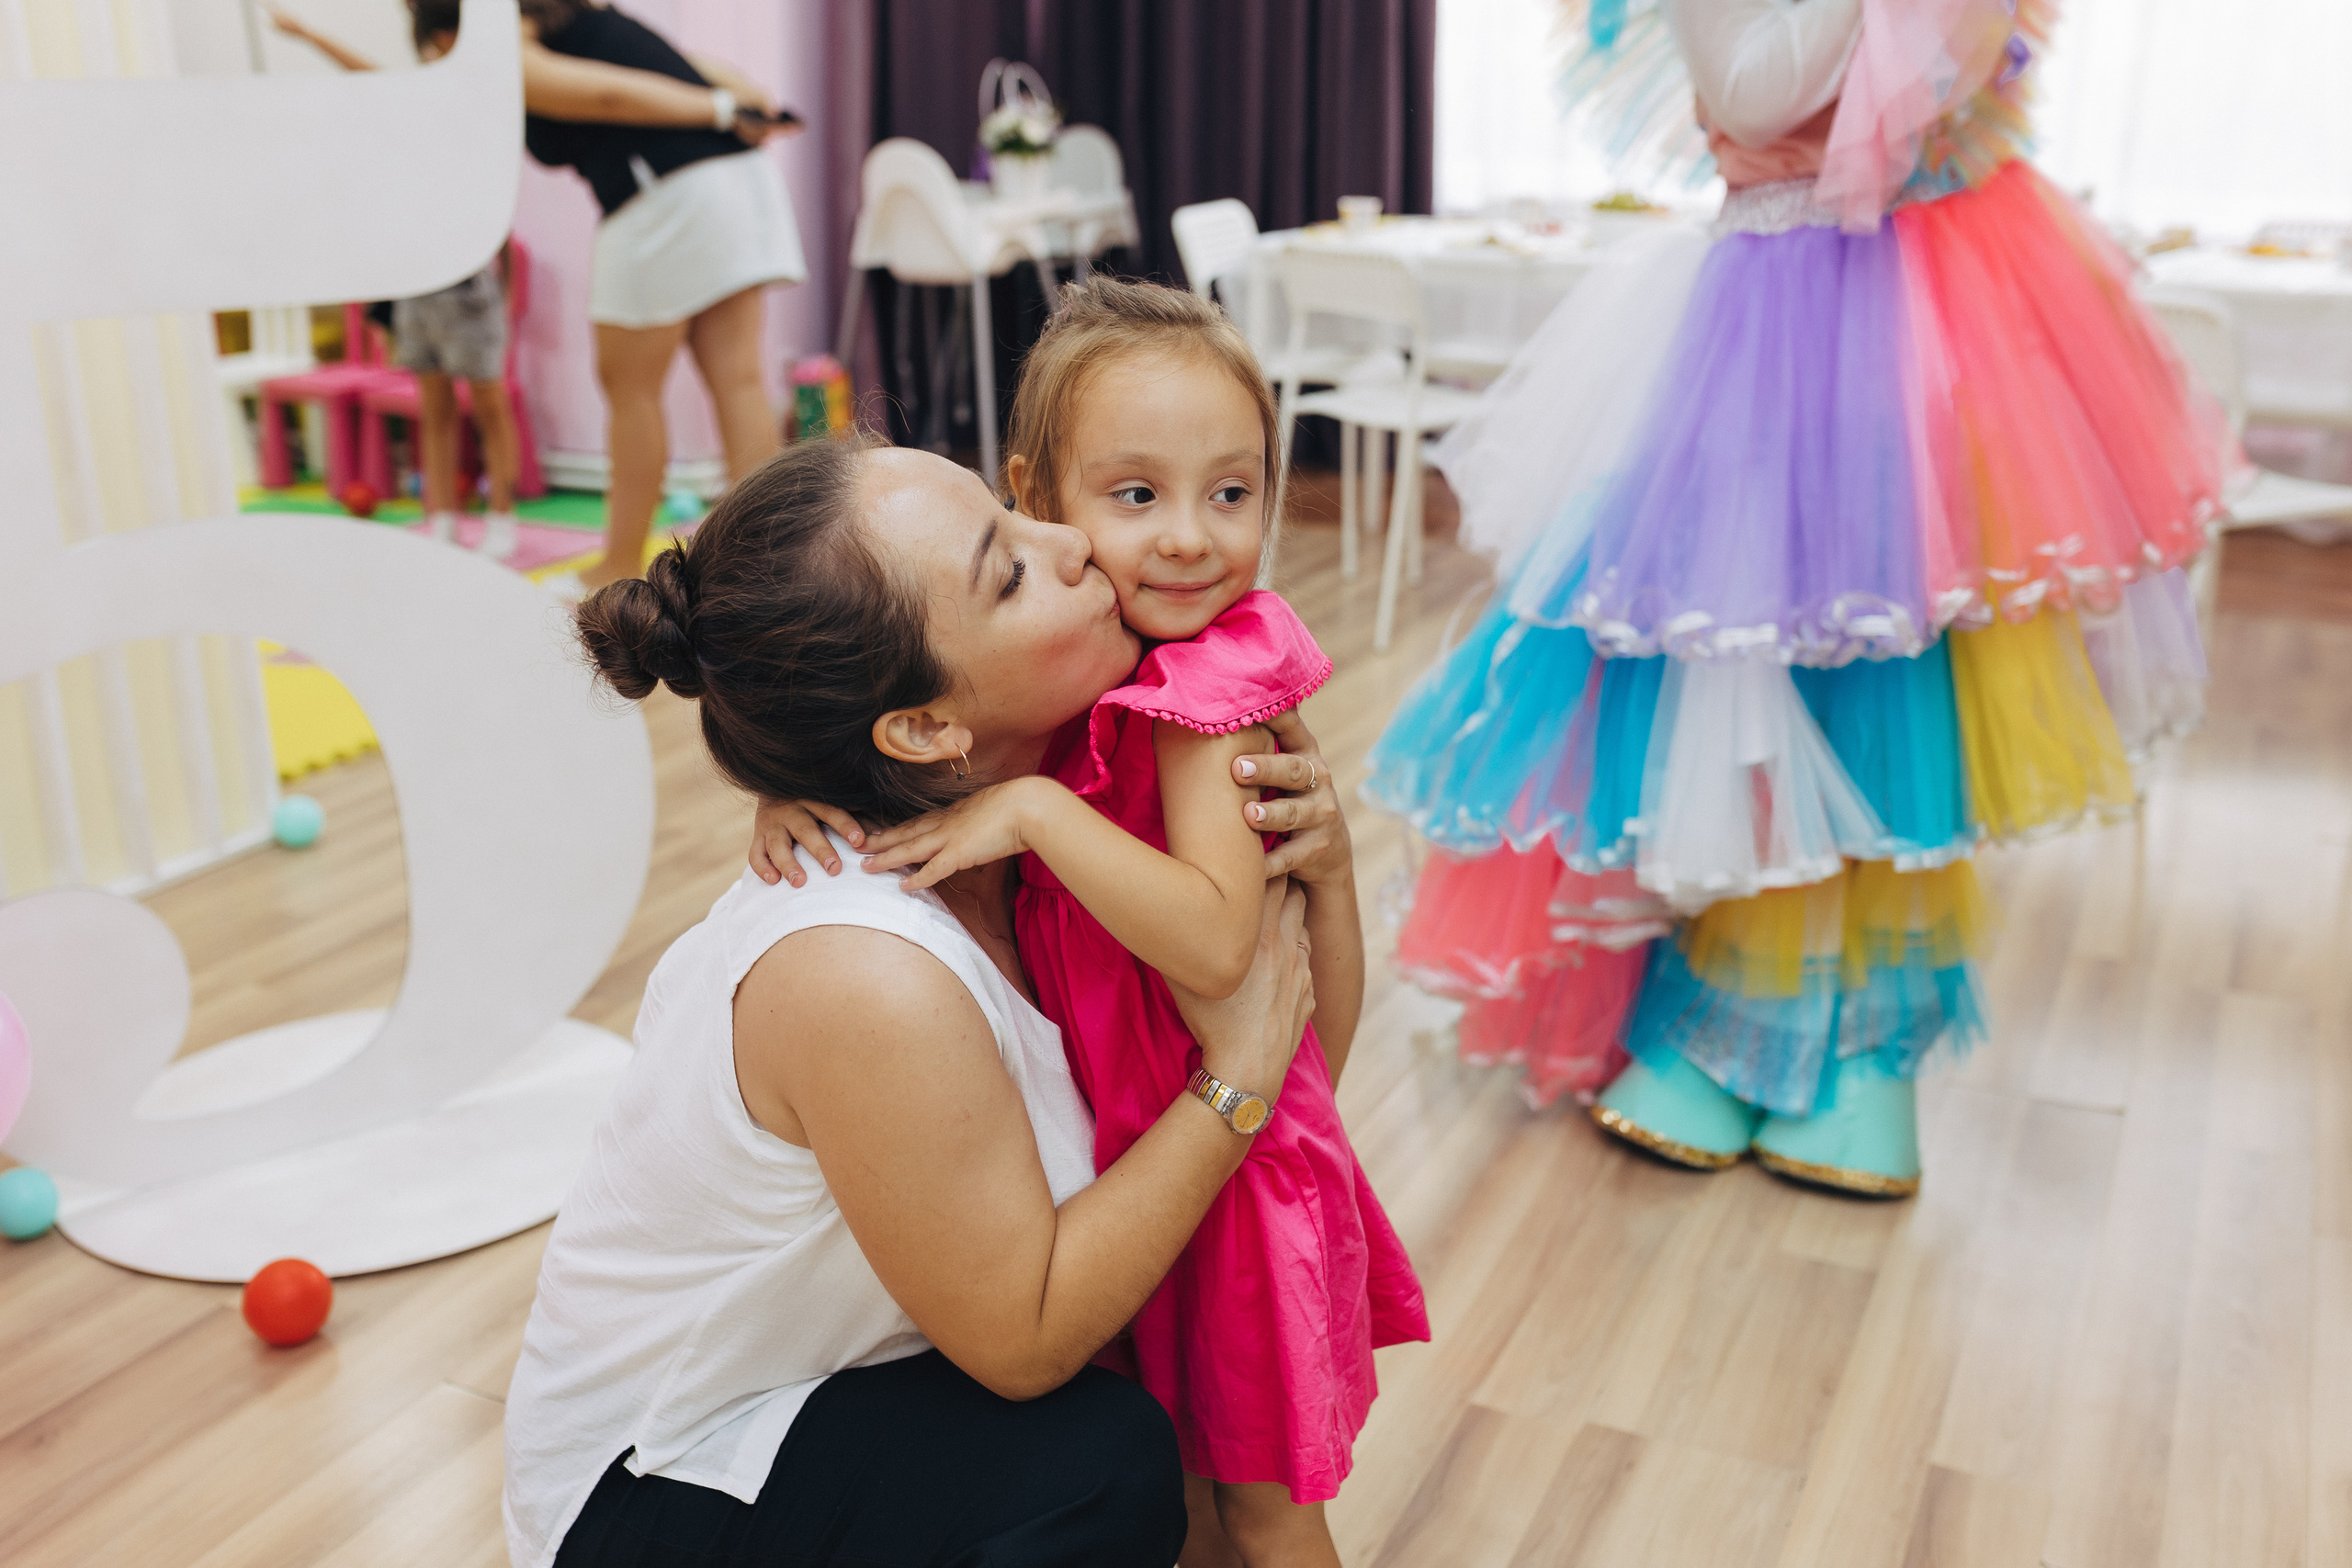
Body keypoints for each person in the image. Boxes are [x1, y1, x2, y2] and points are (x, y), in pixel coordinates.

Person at [1363, 0, 2227, 1193]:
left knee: (1872, 673)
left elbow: (1823, 91)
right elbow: (1761, 90)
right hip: (1817, 305)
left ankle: (1842, 1064)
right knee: (1758, 671)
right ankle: (1765, 1047)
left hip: (1869, 309)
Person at [507, 435, 1360, 1568]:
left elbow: (1314, 1066)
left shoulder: (1067, 806)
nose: (1074, 544)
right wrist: (1230, 1085)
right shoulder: (866, 972)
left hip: (857, 1380)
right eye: (1008, 571)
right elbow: (1024, 1342)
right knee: (1100, 1463)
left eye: (1010, 514)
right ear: (919, 731)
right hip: (661, 1485)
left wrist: (1329, 872)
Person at [755, 281, 1425, 1567]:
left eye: (1233, 493)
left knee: (1268, 1511)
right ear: (1034, 493)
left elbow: (1224, 940)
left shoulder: (1208, 690)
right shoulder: (1099, 661)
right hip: (1142, 1163)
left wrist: (1035, 815)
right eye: (1137, 495)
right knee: (1176, 1489)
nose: (1189, 539)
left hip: (1225, 1186)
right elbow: (915, 704)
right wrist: (803, 790)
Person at [511, 0, 805, 593]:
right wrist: (734, 103)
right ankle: (773, 568)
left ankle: (617, 565)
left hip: (666, 194)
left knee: (630, 389)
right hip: (731, 180)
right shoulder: (594, 21)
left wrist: (725, 106)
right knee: (739, 378)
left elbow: (613, 96)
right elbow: (687, 69)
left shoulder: (520, 45)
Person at [266, 3, 526, 558]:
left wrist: (310, 33)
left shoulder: (470, 100)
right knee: (432, 406)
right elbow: (372, 81)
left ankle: (502, 517)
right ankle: (443, 519)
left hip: (466, 282)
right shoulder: (411, 115)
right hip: (417, 280)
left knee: (488, 404)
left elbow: (369, 73)